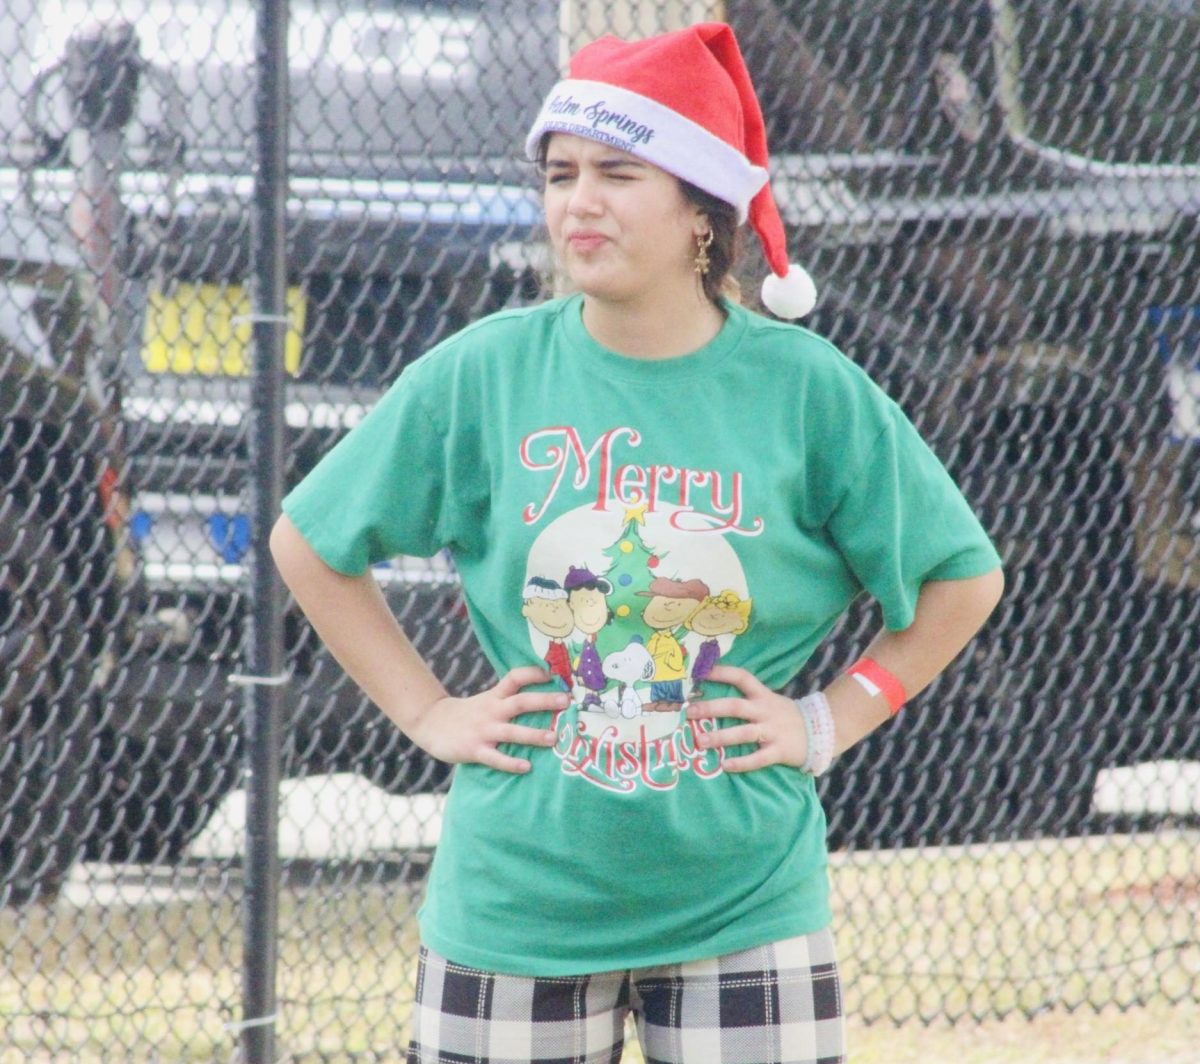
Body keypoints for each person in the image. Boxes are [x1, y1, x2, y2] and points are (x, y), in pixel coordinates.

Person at [270, 21, 1004, 1064]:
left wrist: (834, 717)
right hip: (517, 907)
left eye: (619, 172)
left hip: (744, 904)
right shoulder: (484, 374)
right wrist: (428, 709)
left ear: (701, 210)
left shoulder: (803, 387)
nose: (580, 199)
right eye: (561, 172)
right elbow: (310, 543)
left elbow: (960, 576)